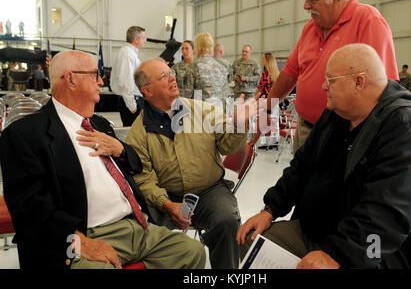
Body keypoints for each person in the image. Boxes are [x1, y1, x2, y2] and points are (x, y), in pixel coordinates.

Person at [237, 43, 411, 269]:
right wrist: (270, 210)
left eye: (331, 80)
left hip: (375, 251)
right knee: (250, 240)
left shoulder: (404, 127)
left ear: (358, 82)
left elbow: (389, 214)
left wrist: (338, 256)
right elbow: (301, 167)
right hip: (321, 232)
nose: (324, 86)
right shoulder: (335, 114)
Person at [0, 50, 206, 269]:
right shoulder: (25, 134)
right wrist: (80, 242)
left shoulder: (100, 124)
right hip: (84, 233)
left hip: (135, 225)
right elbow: (30, 208)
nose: (101, 80)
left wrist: (120, 149)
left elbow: (136, 164)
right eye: (94, 74)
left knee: (191, 252)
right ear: (70, 78)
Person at [125, 58, 259, 269]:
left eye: (171, 73)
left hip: (209, 191)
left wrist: (239, 124)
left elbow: (228, 146)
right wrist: (167, 205)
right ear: (147, 91)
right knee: (138, 230)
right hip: (165, 197)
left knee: (226, 221)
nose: (172, 78)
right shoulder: (138, 133)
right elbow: (144, 180)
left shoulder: (203, 110)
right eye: (163, 76)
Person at [257, 0, 398, 153]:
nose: (306, 6)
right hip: (305, 129)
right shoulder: (310, 27)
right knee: (299, 181)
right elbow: (290, 74)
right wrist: (267, 109)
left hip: (342, 137)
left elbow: (384, 88)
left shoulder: (368, 21)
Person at [110, 26, 146, 126]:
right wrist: (132, 106)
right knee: (134, 136)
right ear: (136, 39)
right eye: (143, 38)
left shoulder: (130, 53)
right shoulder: (127, 54)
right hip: (132, 101)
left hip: (135, 99)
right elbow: (125, 81)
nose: (145, 40)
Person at [185, 33, 230, 108]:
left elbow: (187, 96)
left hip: (200, 113)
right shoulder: (222, 68)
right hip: (218, 113)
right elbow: (227, 96)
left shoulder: (193, 67)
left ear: (197, 47)